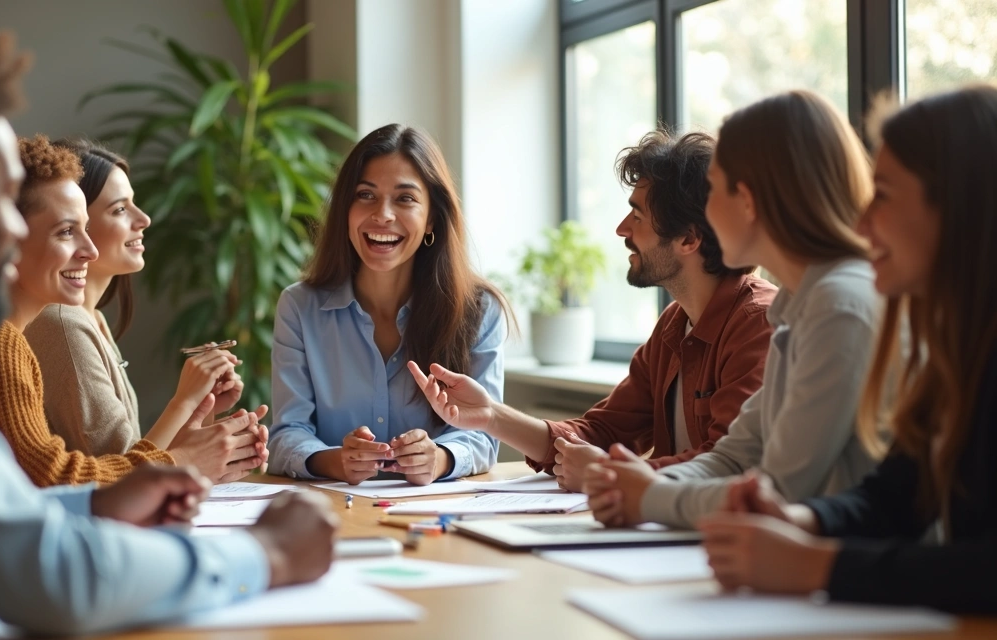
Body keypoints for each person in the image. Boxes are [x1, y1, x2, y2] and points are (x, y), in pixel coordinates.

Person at [0, 12, 336, 639]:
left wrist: (94, 501)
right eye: (4, 198)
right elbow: (53, 580)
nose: (20, 231)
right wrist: (269, 556)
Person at [698, 85, 997, 614]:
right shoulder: (956, 354)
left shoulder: (846, 304)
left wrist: (817, 565)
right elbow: (895, 498)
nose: (862, 224)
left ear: (956, 204)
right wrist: (799, 521)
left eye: (882, 194)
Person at [577, 90, 882, 529]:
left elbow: (778, 488)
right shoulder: (800, 307)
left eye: (715, 188)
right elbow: (735, 456)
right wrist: (639, 485)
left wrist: (650, 497)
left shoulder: (839, 306)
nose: (704, 212)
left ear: (750, 200)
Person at [407, 130, 777, 491]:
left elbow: (731, 466)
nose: (621, 229)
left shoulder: (759, 325)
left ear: (689, 239)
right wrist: (490, 415)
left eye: (637, 216)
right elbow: (601, 434)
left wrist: (609, 474)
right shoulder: (674, 326)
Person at [0, 135, 264, 487]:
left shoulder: (4, 338)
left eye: (85, 228)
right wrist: (184, 459)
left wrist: (197, 443)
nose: (90, 251)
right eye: (67, 232)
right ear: (9, 240)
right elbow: (56, 478)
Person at [268, 124, 510, 486]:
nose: (382, 215)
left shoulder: (479, 310)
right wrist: (335, 461)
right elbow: (287, 434)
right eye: (365, 195)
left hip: (435, 517)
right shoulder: (299, 307)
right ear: (345, 210)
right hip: (334, 513)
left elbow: (482, 434)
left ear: (432, 218)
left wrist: (439, 459)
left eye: (405, 198)